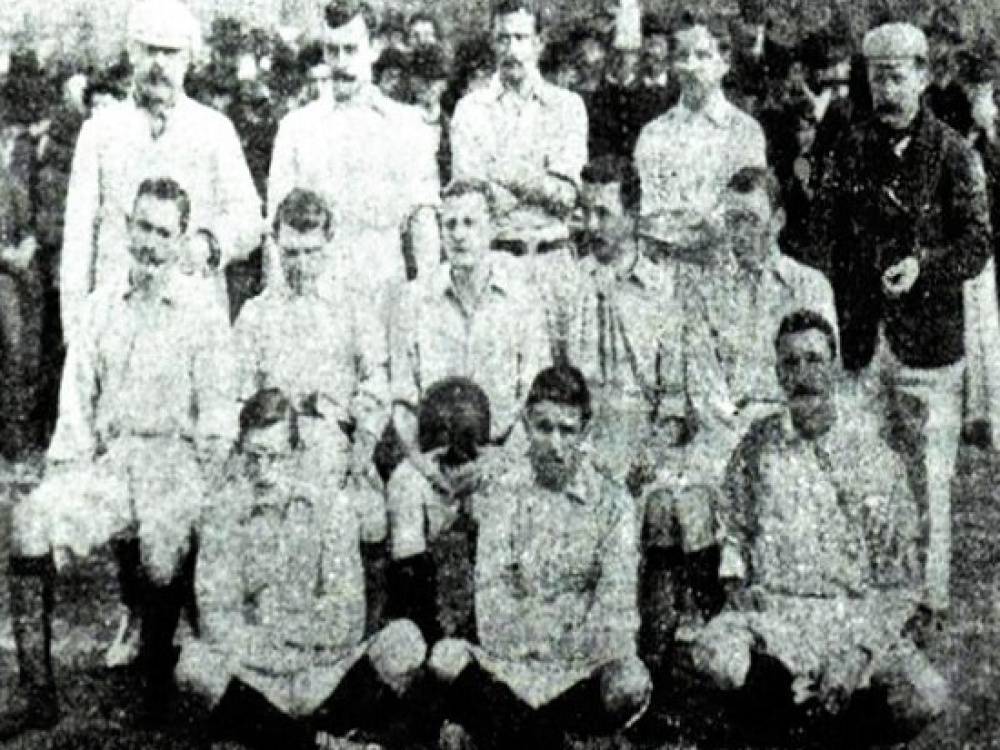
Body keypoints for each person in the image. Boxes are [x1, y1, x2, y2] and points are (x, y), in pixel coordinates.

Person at [0, 178, 238, 738]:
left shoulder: (202, 312)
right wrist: (65, 480)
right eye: (143, 227)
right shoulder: (101, 305)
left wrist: (199, 492)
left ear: (181, 239)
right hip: (112, 463)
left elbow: (217, 420)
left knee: (160, 545)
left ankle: (154, 691)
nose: (150, 243)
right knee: (29, 522)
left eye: (164, 232)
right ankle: (38, 697)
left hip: (175, 463)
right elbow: (76, 407)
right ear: (129, 228)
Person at [688, 310, 949, 746]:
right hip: (776, 616)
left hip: (852, 615)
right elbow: (731, 530)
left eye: (814, 359)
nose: (803, 374)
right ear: (778, 374)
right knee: (715, 657)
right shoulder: (757, 446)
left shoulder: (872, 457)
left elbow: (900, 580)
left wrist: (859, 653)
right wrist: (737, 590)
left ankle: (826, 726)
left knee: (925, 695)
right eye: (790, 363)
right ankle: (788, 719)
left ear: (834, 368)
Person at [811, 22, 992, 615]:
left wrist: (924, 266)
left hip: (930, 347)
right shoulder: (849, 147)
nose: (886, 90)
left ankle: (928, 599)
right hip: (861, 338)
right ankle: (871, 589)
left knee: (929, 478)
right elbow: (824, 233)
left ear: (922, 75)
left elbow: (977, 244)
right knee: (860, 468)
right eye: (876, 77)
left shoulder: (955, 154)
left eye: (896, 77)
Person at [177, 388, 425, 750]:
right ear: (239, 453)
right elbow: (216, 621)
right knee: (193, 665)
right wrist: (284, 650)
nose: (263, 472)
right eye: (253, 457)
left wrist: (276, 627)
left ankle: (273, 736)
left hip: (320, 674)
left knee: (405, 641)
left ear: (295, 455)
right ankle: (321, 743)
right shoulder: (222, 514)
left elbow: (348, 618)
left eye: (275, 457)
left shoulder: (332, 508)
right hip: (257, 677)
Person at [427, 366, 651, 749]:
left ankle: (505, 732)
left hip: (580, 668)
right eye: (544, 428)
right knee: (445, 658)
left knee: (629, 682)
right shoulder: (503, 497)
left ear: (585, 431)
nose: (555, 444)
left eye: (567, 430)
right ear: (527, 426)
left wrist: (550, 633)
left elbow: (616, 617)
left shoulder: (613, 503)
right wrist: (560, 623)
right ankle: (557, 740)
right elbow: (491, 613)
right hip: (513, 668)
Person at [60, 0, 262, 347]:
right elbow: (78, 240)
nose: (159, 64)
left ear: (189, 59)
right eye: (149, 50)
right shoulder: (100, 131)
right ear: (132, 53)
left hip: (192, 318)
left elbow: (249, 218)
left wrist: (210, 244)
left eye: (170, 53)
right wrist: (76, 332)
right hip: (116, 321)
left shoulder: (214, 130)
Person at [386, 179, 550, 593]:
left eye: (470, 223)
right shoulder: (413, 301)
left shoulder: (524, 302)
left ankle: (491, 621)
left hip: (499, 455)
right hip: (433, 457)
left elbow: (536, 400)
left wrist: (501, 459)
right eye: (450, 224)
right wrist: (424, 465)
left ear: (492, 229)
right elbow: (402, 403)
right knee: (404, 489)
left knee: (514, 498)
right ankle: (417, 620)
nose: (459, 234)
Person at [268, 0, 441, 291]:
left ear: (373, 48)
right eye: (332, 50)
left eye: (350, 49)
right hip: (317, 295)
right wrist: (278, 299)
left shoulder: (406, 126)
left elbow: (423, 222)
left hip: (384, 292)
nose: (341, 62)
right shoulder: (296, 128)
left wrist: (428, 294)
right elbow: (276, 230)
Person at [235, 187, 387, 505]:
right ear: (276, 245)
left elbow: (376, 382)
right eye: (291, 253)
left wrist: (364, 441)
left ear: (329, 243)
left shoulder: (355, 307)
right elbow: (239, 393)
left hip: (333, 440)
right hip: (269, 446)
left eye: (312, 252)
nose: (301, 265)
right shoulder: (255, 313)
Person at [450, 0, 587, 258]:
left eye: (521, 38)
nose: (512, 50)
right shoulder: (470, 109)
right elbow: (470, 198)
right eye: (503, 39)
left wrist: (503, 175)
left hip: (552, 253)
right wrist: (540, 182)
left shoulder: (567, 106)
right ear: (492, 44)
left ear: (539, 43)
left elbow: (567, 197)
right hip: (494, 254)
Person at [635, 8, 766, 267]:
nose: (691, 66)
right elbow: (649, 214)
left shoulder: (745, 132)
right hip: (664, 268)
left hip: (724, 267)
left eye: (703, 55)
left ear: (724, 63)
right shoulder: (654, 134)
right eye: (682, 56)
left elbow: (746, 212)